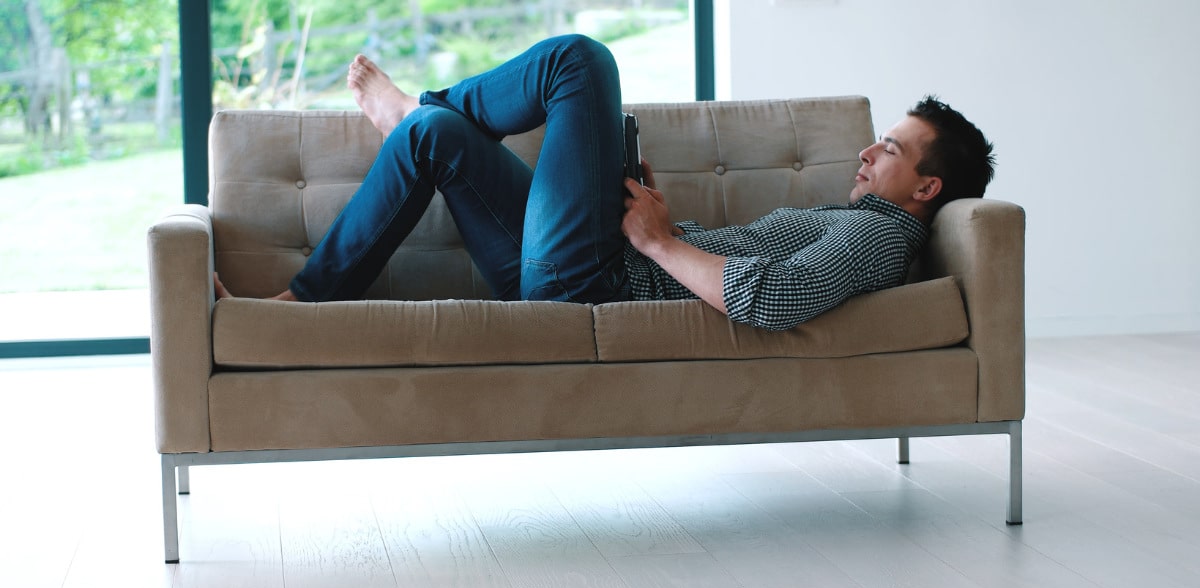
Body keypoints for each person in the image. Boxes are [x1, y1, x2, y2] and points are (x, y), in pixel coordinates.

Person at [214, 34, 995, 331]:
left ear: (926, 190)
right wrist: (667, 226)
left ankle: (416, 107)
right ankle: (305, 298)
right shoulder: (866, 223)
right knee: (435, 142)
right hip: (585, 266)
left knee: (581, 62)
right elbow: (762, 273)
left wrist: (656, 243)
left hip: (596, 277)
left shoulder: (878, 234)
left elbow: (777, 299)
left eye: (890, 149)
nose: (867, 152)